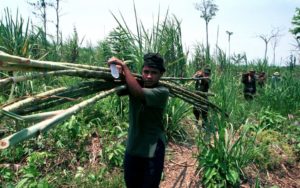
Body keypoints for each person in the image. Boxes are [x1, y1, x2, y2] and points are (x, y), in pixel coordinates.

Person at [108, 53, 169, 188]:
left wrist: (124, 66)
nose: (148, 76)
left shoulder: (162, 92)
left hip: (152, 148)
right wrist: (115, 71)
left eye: (154, 73)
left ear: (161, 74)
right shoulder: (135, 84)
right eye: (146, 72)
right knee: (131, 184)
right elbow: (118, 90)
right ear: (142, 71)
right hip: (133, 146)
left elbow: (138, 93)